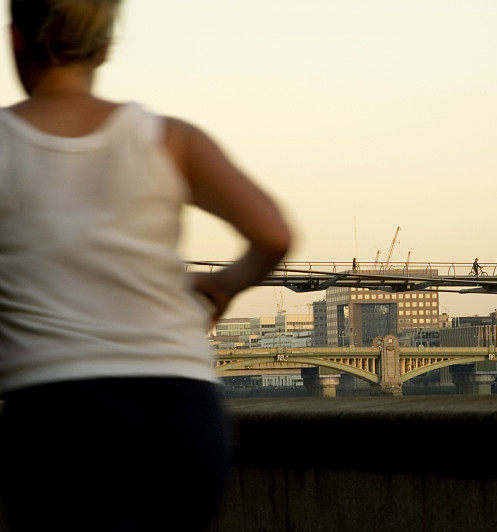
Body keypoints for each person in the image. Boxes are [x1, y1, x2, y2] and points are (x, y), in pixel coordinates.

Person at [0, 1, 292, 530]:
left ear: (16, 39)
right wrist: (223, 285)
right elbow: (273, 234)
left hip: (55, 411)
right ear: (106, 46)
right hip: (179, 409)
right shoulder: (169, 138)